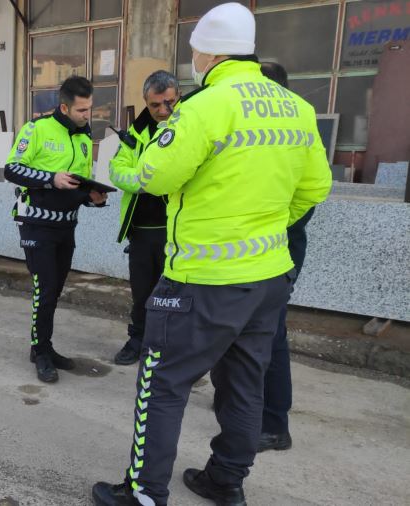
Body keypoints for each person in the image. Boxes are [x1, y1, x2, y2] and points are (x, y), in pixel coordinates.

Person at [91, 3, 332, 505]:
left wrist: (126, 174)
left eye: (195, 47)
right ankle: (226, 482)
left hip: (202, 277)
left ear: (209, 50)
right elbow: (315, 188)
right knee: (245, 384)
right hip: (267, 277)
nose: (193, 56)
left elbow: (157, 175)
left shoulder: (205, 106)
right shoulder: (297, 107)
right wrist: (265, 227)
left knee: (163, 384)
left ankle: (144, 493)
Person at [4, 76, 107, 384]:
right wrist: (51, 178)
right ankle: (41, 351)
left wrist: (93, 199)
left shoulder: (85, 139)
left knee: (55, 290)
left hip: (66, 227)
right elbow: (12, 169)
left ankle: (42, 347)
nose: (87, 115)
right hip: (37, 224)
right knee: (45, 289)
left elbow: (78, 185)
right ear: (64, 106)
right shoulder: (36, 130)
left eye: (89, 109)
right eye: (82, 110)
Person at [257, 61, 316, 453]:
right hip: (268, 254)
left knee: (271, 339)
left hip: (277, 255)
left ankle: (275, 424)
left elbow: (310, 194)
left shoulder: (294, 126)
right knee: (252, 337)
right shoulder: (287, 127)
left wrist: (272, 226)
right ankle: (248, 404)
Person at [109, 71, 180, 366]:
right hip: (140, 231)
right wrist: (143, 180)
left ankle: (170, 348)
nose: (163, 111)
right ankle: (137, 339)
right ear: (145, 103)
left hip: (177, 230)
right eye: (156, 105)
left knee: (175, 296)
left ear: (179, 98)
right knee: (141, 294)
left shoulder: (190, 127)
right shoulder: (136, 132)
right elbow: (115, 169)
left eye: (170, 103)